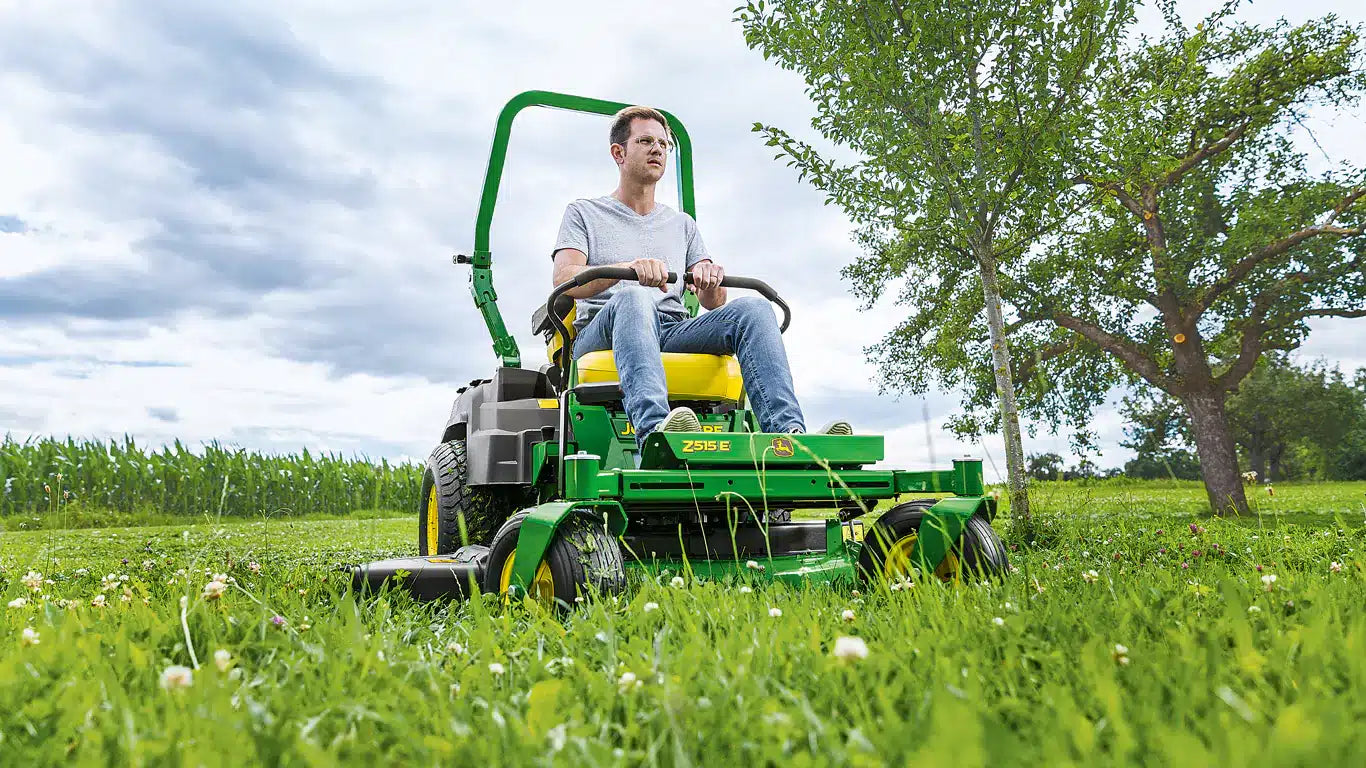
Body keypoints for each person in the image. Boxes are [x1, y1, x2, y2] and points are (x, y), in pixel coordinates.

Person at [550, 105, 851, 449]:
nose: (657, 150)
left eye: (664, 144)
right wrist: (627, 270)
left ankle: (787, 438)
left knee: (753, 308)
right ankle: (656, 436)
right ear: (619, 153)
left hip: (672, 327)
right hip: (606, 329)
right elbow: (564, 277)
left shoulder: (682, 225)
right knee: (633, 297)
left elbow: (713, 302)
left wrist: (710, 279)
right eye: (646, 141)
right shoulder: (585, 212)